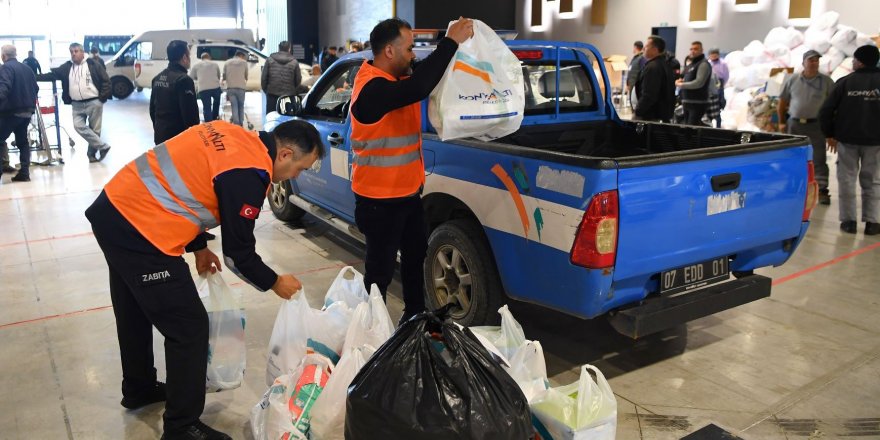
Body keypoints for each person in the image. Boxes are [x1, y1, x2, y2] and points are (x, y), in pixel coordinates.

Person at [85, 119, 323, 440]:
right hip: (142, 230)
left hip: (114, 209)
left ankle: (139, 386)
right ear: (284, 154)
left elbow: (189, 182)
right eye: (299, 168)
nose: (295, 177)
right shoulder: (249, 173)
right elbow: (238, 254)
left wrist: (198, 246)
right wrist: (275, 282)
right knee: (189, 326)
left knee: (134, 308)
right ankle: (182, 426)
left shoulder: (235, 135)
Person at [350, 17, 473, 325]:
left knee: (415, 259)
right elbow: (420, 86)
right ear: (389, 52)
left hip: (406, 194)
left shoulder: (396, 78)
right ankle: (372, 330)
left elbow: (428, 72)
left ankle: (414, 316)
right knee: (379, 270)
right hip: (378, 200)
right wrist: (450, 41)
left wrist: (455, 50)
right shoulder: (372, 90)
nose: (413, 55)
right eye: (408, 49)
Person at [819, 45, 880, 236]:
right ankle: (873, 222)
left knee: (847, 180)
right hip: (876, 142)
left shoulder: (845, 82)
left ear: (860, 61)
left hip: (847, 141)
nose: (852, 63)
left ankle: (849, 221)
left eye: (854, 60)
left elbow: (826, 111)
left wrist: (829, 134)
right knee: (874, 181)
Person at [778, 50, 834, 205]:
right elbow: (782, 102)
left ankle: (822, 189)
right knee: (793, 155)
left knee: (818, 158)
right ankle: (792, 185)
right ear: (803, 63)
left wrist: (831, 129)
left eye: (816, 60)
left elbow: (833, 106)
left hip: (816, 125)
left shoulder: (826, 82)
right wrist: (782, 122)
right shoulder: (792, 79)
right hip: (795, 124)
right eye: (811, 60)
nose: (814, 63)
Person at [51, 43, 112, 163]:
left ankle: (91, 155)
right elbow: (53, 75)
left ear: (82, 52)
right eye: (71, 52)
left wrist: (101, 99)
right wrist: (31, 76)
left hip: (94, 102)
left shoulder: (93, 64)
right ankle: (103, 146)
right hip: (76, 104)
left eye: (76, 51)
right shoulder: (67, 67)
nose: (73, 54)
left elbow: (106, 81)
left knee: (95, 130)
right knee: (78, 126)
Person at [0, 45, 38, 182]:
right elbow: (36, 87)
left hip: (11, 112)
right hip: (27, 112)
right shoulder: (27, 68)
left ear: (3, 56)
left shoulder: (6, 68)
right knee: (23, 142)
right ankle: (24, 173)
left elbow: (4, 88)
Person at [150, 40, 200, 145]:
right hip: (178, 140)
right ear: (184, 58)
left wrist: (159, 128)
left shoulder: (157, 78)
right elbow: (190, 116)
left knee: (164, 162)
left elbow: (152, 110)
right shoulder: (184, 80)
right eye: (189, 55)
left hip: (160, 136)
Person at [634, 35, 675, 122]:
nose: (643, 48)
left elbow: (649, 95)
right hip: (661, 114)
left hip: (651, 115)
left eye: (646, 46)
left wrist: (638, 111)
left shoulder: (653, 67)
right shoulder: (664, 63)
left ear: (655, 49)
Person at [676, 41, 712, 126]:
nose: (692, 51)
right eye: (691, 49)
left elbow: (699, 83)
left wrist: (682, 85)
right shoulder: (691, 64)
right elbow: (684, 77)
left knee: (691, 130)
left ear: (702, 50)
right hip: (687, 102)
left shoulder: (703, 64)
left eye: (696, 49)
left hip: (697, 103)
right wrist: (680, 81)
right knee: (686, 128)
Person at [261, 41, 302, 115]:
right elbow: (298, 79)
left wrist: (267, 91)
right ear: (289, 49)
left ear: (279, 48)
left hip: (272, 94)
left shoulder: (270, 60)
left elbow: (264, 78)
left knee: (271, 118)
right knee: (287, 120)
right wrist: (293, 90)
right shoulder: (294, 62)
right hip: (289, 95)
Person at [190, 52, 222, 122]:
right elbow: (218, 76)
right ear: (209, 57)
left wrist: (198, 78)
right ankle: (215, 118)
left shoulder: (196, 65)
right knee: (216, 103)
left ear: (201, 58)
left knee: (207, 107)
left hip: (203, 88)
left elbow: (191, 77)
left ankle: (209, 124)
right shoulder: (215, 64)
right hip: (215, 87)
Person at [223, 51, 249, 126]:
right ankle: (241, 124)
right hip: (241, 88)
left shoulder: (227, 62)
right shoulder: (244, 62)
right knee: (241, 106)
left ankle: (236, 124)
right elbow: (246, 75)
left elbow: (224, 75)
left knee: (234, 106)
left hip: (231, 88)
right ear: (241, 55)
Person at [707, 48, 729, 127]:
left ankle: (718, 126)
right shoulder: (708, 63)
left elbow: (726, 75)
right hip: (710, 85)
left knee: (719, 103)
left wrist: (722, 85)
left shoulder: (723, 63)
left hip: (719, 83)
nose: (713, 56)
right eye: (712, 54)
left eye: (715, 54)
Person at [626, 40, 644, 109]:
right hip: (631, 84)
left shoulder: (641, 58)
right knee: (631, 102)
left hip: (636, 85)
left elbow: (642, 71)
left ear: (635, 47)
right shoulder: (635, 58)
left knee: (635, 103)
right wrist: (628, 83)